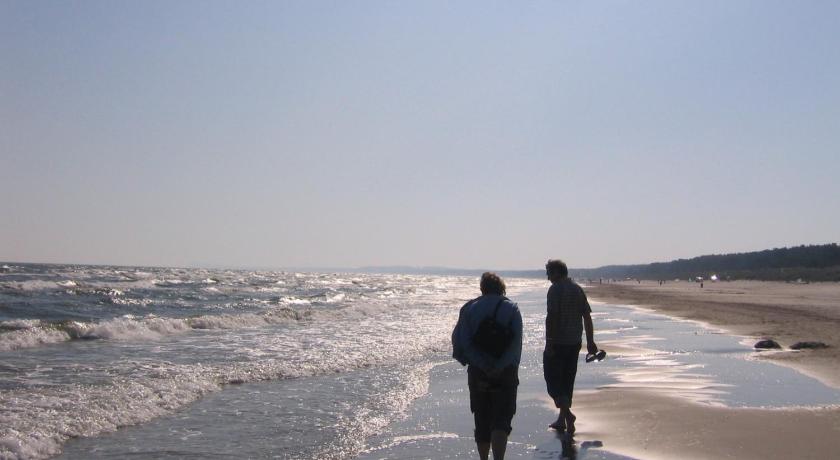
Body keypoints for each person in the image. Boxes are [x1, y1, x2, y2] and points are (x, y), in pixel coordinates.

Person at [452, 272, 523, 460]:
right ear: (501, 288)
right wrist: (500, 366)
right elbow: (515, 344)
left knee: (482, 418)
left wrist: (481, 364)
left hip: (478, 372)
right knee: (502, 419)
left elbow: (462, 342)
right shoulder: (512, 308)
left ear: (482, 288)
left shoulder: (469, 308)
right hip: (506, 371)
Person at [543, 259, 598, 435]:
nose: (548, 277)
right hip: (574, 342)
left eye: (549, 273)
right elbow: (587, 316)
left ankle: (568, 415)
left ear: (557, 272)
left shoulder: (555, 290)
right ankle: (563, 419)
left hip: (558, 342)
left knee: (552, 380)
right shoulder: (577, 289)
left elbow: (551, 317)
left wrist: (549, 341)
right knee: (567, 380)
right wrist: (590, 341)